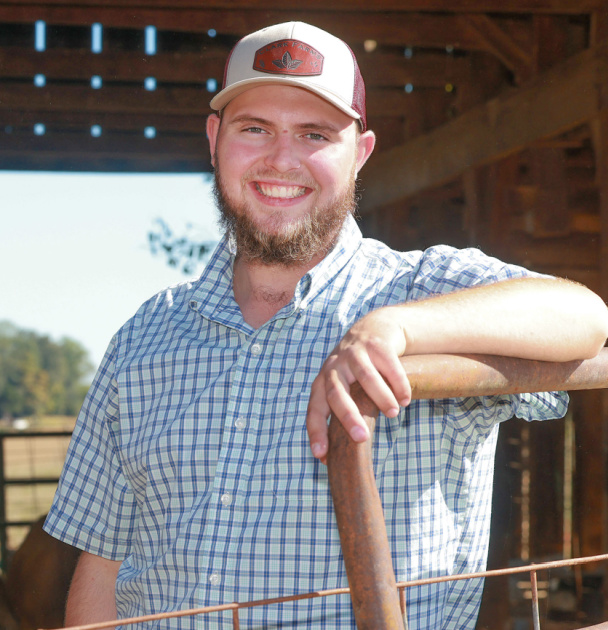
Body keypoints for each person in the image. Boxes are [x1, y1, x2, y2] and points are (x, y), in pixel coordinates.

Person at [43, 21, 608, 629]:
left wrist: (395, 330)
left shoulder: (418, 289)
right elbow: (103, 566)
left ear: (360, 154)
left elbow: (584, 317)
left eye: (315, 134)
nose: (281, 159)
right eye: (254, 128)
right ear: (215, 138)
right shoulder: (144, 337)